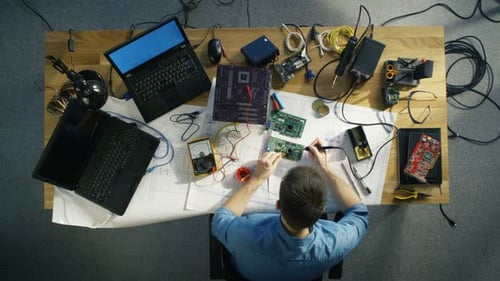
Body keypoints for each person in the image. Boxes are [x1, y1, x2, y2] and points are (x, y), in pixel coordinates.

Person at [211, 138, 369, 281]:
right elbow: (359, 212)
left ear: (278, 205)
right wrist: (326, 168)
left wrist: (258, 178)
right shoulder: (337, 242)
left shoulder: (245, 234)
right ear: (322, 210)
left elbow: (220, 219)